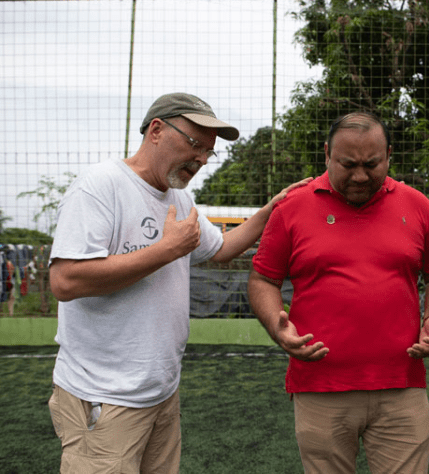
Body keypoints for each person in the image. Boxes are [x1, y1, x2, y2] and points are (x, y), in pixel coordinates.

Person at [47, 92, 310, 473]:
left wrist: (272, 209)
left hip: (161, 393)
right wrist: (167, 249)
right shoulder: (100, 186)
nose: (201, 159)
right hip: (104, 397)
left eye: (208, 151)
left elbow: (220, 248)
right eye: (194, 144)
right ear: (156, 130)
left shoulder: (178, 199)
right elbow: (65, 280)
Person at [247, 111, 429, 473]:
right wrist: (276, 326)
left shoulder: (417, 206)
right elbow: (262, 279)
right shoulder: (291, 208)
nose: (360, 175)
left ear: (389, 155)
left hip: (402, 385)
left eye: (372, 164)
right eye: (348, 164)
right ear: (327, 154)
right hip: (319, 385)